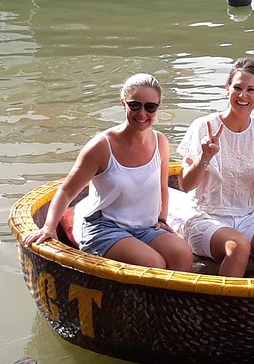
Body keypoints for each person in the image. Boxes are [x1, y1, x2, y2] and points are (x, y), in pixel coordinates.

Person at [23, 73, 193, 272]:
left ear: (158, 106)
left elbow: (163, 188)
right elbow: (67, 191)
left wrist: (162, 220)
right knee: (153, 264)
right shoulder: (101, 146)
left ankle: (168, 303)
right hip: (104, 227)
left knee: (183, 253)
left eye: (150, 107)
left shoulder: (160, 141)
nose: (142, 114)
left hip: (145, 227)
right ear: (123, 104)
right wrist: (49, 227)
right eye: (134, 105)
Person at [177, 57, 254, 277]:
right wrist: (205, 157)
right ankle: (225, 311)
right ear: (227, 89)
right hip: (206, 216)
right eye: (237, 88)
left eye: (250, 90)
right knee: (238, 246)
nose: (243, 95)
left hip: (249, 216)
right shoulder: (204, 126)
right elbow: (185, 185)